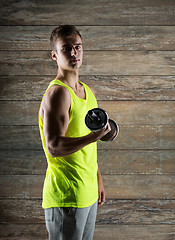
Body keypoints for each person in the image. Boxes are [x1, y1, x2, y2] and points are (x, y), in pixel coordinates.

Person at [38, 25, 111, 240]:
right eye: (66, 48)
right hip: (66, 195)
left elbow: (89, 140)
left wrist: (98, 178)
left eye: (77, 47)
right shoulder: (59, 93)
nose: (73, 53)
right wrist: (92, 137)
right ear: (54, 55)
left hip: (87, 191)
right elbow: (54, 147)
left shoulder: (88, 91)